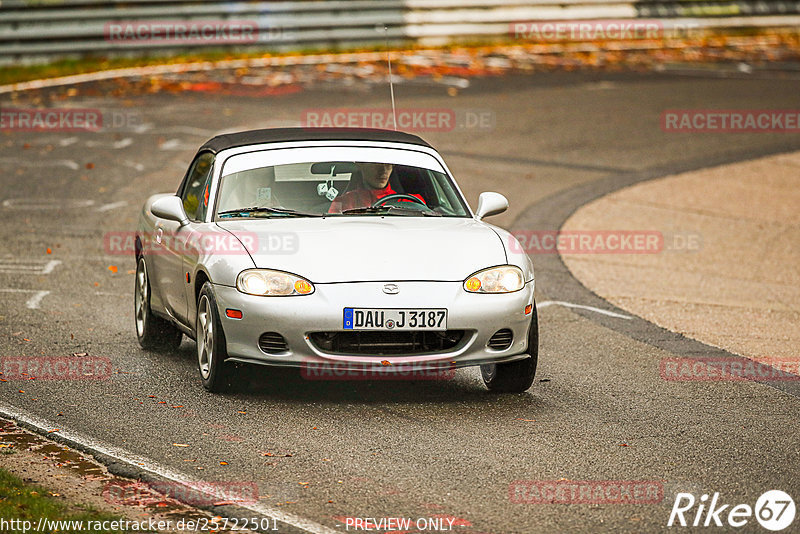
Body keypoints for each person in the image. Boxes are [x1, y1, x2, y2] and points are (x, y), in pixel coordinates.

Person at [328, 162, 424, 213]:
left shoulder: (412, 202)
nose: (383, 170)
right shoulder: (342, 203)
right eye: (376, 164)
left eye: (388, 164)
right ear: (361, 164)